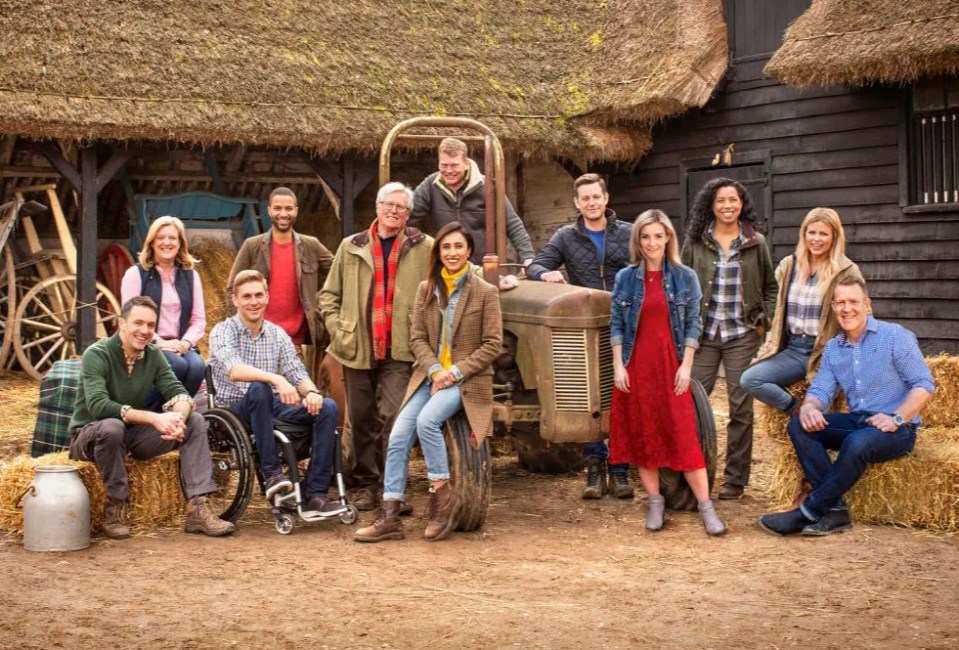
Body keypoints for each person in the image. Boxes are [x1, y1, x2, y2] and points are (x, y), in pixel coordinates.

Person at [354, 222, 502, 542]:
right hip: (431, 377)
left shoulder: (485, 292)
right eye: (446, 247)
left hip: (467, 380)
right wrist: (436, 371)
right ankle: (390, 514)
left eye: (458, 247)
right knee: (398, 435)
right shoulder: (427, 289)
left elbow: (492, 344)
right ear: (438, 253)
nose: (452, 253)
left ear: (469, 251)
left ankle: (441, 496)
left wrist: (455, 372)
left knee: (427, 420)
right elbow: (417, 340)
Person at [758, 276, 935, 536]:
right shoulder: (833, 348)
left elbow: (924, 384)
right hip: (858, 422)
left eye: (853, 301)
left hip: (897, 430)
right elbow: (821, 390)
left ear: (867, 304)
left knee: (858, 443)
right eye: (840, 302)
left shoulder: (895, 336)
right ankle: (836, 510)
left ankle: (809, 511)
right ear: (832, 307)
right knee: (799, 425)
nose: (846, 308)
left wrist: (896, 418)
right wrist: (809, 406)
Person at [68, 296, 235, 539]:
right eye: (138, 323)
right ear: (121, 324)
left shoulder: (152, 355)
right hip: (90, 437)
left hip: (130, 437)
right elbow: (98, 405)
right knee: (112, 427)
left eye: (150, 325)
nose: (145, 331)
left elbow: (177, 391)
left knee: (195, 420)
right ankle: (116, 505)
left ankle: (198, 507)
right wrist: (154, 418)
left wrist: (177, 418)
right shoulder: (98, 354)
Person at [609, 210, 725, 535]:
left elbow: (693, 324)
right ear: (638, 241)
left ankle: (706, 507)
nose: (652, 243)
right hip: (636, 365)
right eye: (645, 237)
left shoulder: (685, 276)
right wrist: (619, 365)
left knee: (683, 434)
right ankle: (655, 502)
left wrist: (686, 366)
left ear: (668, 238)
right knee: (645, 435)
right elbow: (617, 324)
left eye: (658, 236)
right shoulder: (626, 278)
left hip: (671, 365)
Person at [319, 182, 433, 511]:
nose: (393, 211)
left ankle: (391, 486)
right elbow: (329, 296)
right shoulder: (351, 246)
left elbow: (450, 272)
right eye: (388, 204)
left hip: (401, 347)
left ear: (409, 214)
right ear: (378, 207)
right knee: (362, 419)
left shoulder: (423, 246)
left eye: (401, 207)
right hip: (356, 345)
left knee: (394, 417)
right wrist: (338, 330)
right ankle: (364, 485)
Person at [527, 172, 634, 499]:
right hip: (585, 324)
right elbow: (535, 266)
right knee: (592, 395)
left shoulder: (629, 233)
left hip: (624, 320)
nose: (591, 202)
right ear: (577, 202)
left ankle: (620, 470)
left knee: (621, 393)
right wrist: (546, 272)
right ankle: (593, 470)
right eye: (585, 198)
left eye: (596, 196)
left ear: (606, 198)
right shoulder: (565, 236)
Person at [209, 270, 344, 513]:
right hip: (234, 413)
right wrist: (276, 379)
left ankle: (315, 492)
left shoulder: (277, 334)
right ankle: (272, 474)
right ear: (235, 300)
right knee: (260, 388)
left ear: (267, 296)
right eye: (247, 296)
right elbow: (235, 371)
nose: (254, 302)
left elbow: (297, 373)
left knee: (328, 407)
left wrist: (312, 392)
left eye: (259, 295)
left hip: (270, 408)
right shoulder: (223, 331)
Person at [681, 177, 777, 501]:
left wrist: (766, 319)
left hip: (741, 335)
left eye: (733, 200)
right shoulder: (695, 242)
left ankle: (735, 480)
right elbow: (680, 283)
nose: (727, 206)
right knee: (690, 401)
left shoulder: (755, 242)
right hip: (703, 335)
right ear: (711, 205)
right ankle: (688, 471)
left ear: (742, 204)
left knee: (741, 408)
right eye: (721, 200)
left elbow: (770, 287)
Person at [742, 208, 862, 414]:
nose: (816, 239)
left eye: (823, 233)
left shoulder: (846, 270)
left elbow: (862, 315)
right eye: (811, 232)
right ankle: (797, 411)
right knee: (750, 379)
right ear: (804, 234)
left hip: (828, 353)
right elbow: (771, 301)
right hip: (794, 350)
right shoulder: (789, 265)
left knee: (821, 406)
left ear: (834, 236)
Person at [228, 187, 334, 361]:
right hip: (259, 338)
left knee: (298, 387)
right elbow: (232, 288)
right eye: (277, 208)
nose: (283, 213)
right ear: (269, 211)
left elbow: (341, 272)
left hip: (298, 342)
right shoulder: (252, 246)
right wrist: (242, 328)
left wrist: (322, 303)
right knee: (260, 387)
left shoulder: (311, 245)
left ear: (296, 211)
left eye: (288, 208)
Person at [121, 216, 206, 408]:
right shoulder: (136, 274)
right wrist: (160, 342)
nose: (167, 243)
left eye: (172, 238)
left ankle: (177, 413)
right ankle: (148, 411)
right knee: (177, 365)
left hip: (182, 345)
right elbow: (129, 319)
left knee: (197, 366)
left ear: (180, 243)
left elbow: (199, 319)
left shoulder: (191, 275)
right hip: (147, 344)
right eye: (161, 238)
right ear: (151, 242)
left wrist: (185, 343)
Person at [411, 137, 535, 267]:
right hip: (446, 267)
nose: (448, 171)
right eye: (444, 165)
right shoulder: (430, 185)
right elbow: (407, 214)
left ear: (466, 164)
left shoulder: (487, 186)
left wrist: (528, 257)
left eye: (454, 165)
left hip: (484, 267)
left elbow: (512, 223)